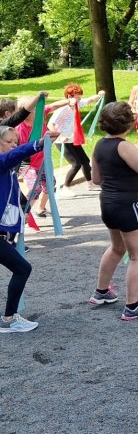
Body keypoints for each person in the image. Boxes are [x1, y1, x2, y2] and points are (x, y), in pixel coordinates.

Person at [89, 102, 138, 320]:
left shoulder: (99, 145)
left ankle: (101, 292)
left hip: (108, 204)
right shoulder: (125, 146)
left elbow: (96, 179)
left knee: (117, 248)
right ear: (129, 124)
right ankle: (132, 306)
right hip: (128, 206)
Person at [0, 124, 48, 333]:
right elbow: (14, 156)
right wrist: (38, 144)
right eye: (8, 141)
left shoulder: (8, 168)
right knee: (22, 269)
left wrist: (23, 210)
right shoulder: (2, 162)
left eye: (15, 142)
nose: (13, 145)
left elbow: (14, 190)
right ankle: (9, 319)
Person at [46, 83, 105, 197]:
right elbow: (50, 124)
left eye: (80, 97)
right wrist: (59, 136)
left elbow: (90, 100)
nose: (80, 100)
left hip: (72, 139)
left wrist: (99, 95)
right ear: (69, 97)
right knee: (76, 164)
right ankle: (65, 188)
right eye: (77, 97)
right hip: (62, 141)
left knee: (85, 161)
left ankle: (90, 183)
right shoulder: (62, 109)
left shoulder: (77, 104)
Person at [16, 95, 69, 219]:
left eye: (30, 110)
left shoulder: (40, 115)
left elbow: (54, 105)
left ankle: (40, 208)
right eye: (23, 111)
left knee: (50, 184)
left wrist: (69, 101)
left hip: (43, 161)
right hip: (27, 162)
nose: (27, 114)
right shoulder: (19, 128)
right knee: (36, 188)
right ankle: (23, 213)